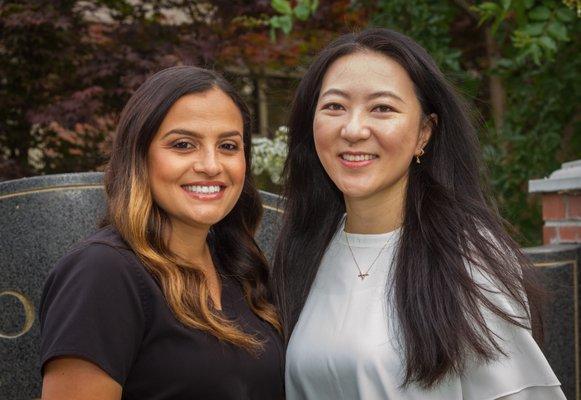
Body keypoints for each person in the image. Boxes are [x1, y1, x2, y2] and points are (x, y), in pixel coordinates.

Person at [272, 28, 565, 399]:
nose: (353, 128)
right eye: (334, 106)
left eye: (382, 108)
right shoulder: (303, 248)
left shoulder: (466, 260)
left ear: (424, 132)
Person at [40, 66, 284, 400]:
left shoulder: (239, 268)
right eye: (184, 145)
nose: (211, 165)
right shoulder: (103, 272)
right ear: (139, 156)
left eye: (228, 145)